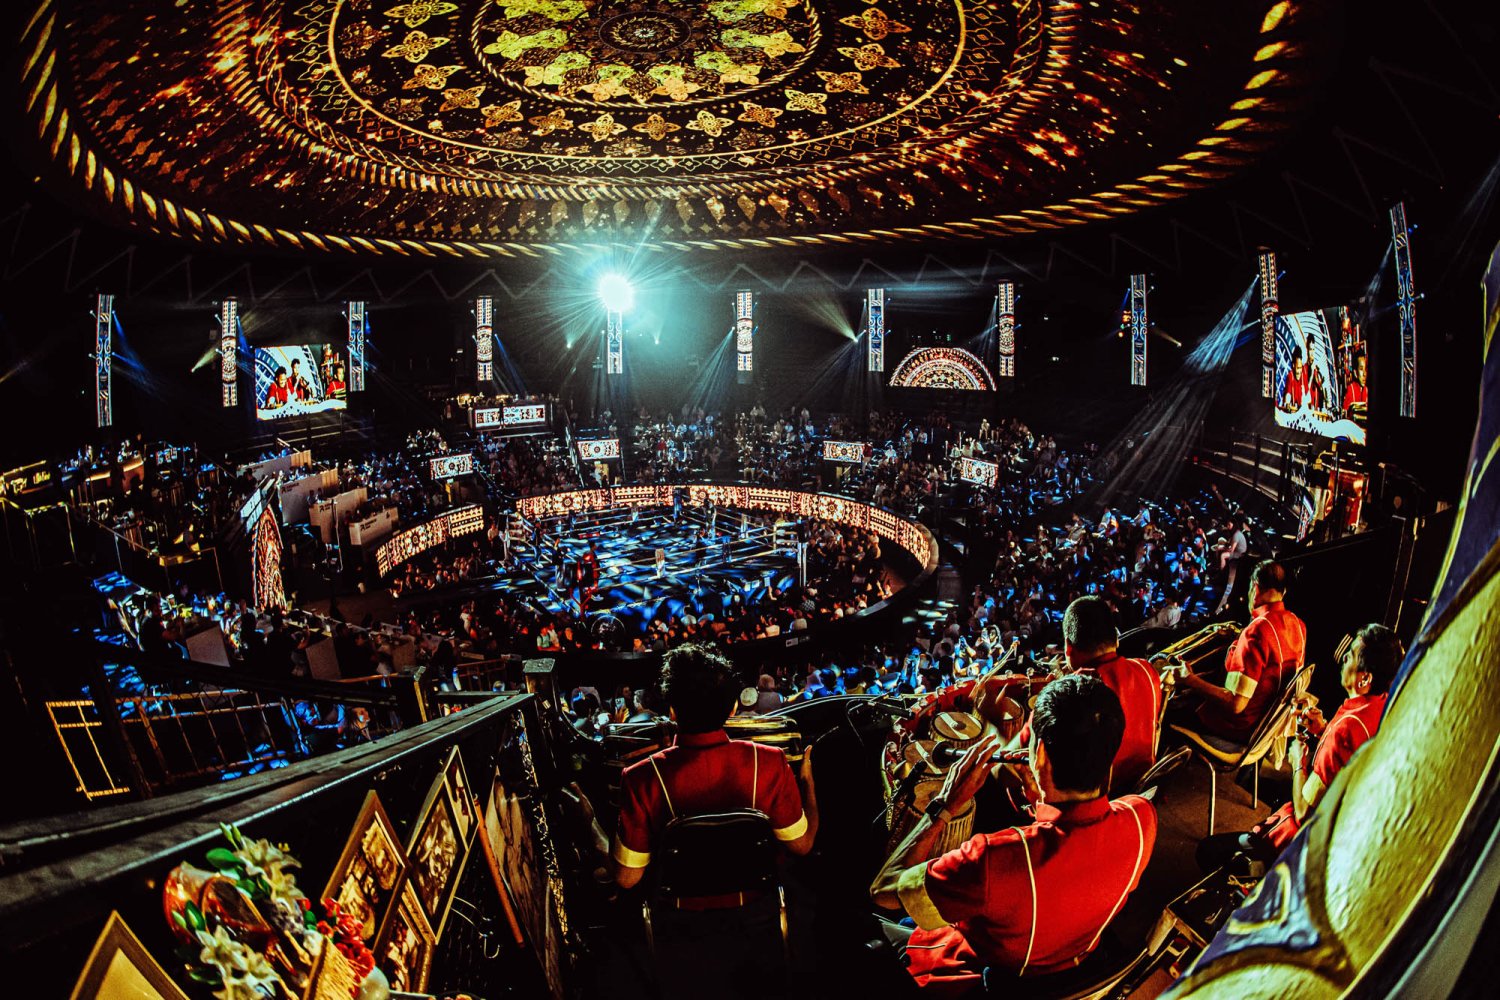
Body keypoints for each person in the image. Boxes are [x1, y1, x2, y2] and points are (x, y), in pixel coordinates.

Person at [870, 676, 1157, 995]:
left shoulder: (990, 859)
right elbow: (1073, 858)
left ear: (1041, 754)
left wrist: (944, 805)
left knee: (867, 923)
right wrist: (1039, 798)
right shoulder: (1142, 816)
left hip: (985, 975)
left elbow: (883, 891)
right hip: (1073, 965)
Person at [612, 644, 817, 997]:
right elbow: (802, 844)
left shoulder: (640, 777)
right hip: (758, 920)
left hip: (679, 931)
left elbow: (626, 878)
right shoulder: (770, 762)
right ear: (734, 706)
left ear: (672, 710)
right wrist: (809, 786)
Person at [1201, 623, 1401, 870]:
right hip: (1348, 831)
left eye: (1351, 654)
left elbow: (1304, 814)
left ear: (1365, 678)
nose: (1344, 657)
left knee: (1208, 851)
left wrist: (1298, 762)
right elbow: (1351, 756)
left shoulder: (1346, 729)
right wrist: (1323, 730)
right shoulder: (1379, 707)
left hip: (1304, 846)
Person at [1175, 560, 1307, 742]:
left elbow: (1235, 704)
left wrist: (1190, 679)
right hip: (1266, 727)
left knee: (1172, 711)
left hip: (1239, 727)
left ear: (1255, 587)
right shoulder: (1298, 625)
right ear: (1283, 591)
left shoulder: (1257, 630)